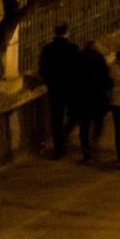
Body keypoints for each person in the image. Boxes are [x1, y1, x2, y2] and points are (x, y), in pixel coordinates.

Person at [39, 22, 81, 159]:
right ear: (67, 32)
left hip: (55, 87)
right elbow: (78, 68)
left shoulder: (47, 49)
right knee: (75, 114)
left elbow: (43, 69)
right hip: (71, 87)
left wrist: (49, 80)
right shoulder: (73, 48)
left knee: (56, 117)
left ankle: (59, 148)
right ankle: (64, 136)